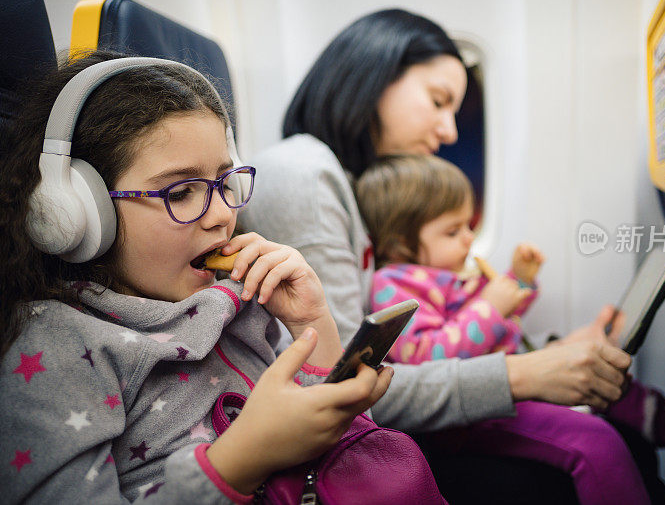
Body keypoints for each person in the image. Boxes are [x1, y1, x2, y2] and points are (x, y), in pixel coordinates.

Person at [239, 8, 665, 502]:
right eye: (438, 101)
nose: (449, 131)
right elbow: (342, 384)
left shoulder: (346, 185)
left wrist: (545, 355)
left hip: (387, 421)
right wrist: (527, 374)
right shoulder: (306, 178)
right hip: (344, 445)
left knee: (629, 442)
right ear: (373, 78)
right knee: (600, 457)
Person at [0, 52, 400, 503]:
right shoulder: (60, 348)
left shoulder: (237, 301)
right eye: (182, 192)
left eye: (225, 183)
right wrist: (242, 461)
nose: (224, 215)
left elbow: (333, 453)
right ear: (77, 214)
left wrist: (312, 326)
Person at [355, 154, 665, 503]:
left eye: (469, 226)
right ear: (402, 243)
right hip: (470, 413)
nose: (468, 238)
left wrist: (517, 281)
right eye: (453, 232)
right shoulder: (395, 284)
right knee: (596, 443)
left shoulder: (447, 273)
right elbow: (427, 356)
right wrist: (492, 306)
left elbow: (478, 321)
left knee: (597, 374)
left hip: (504, 383)